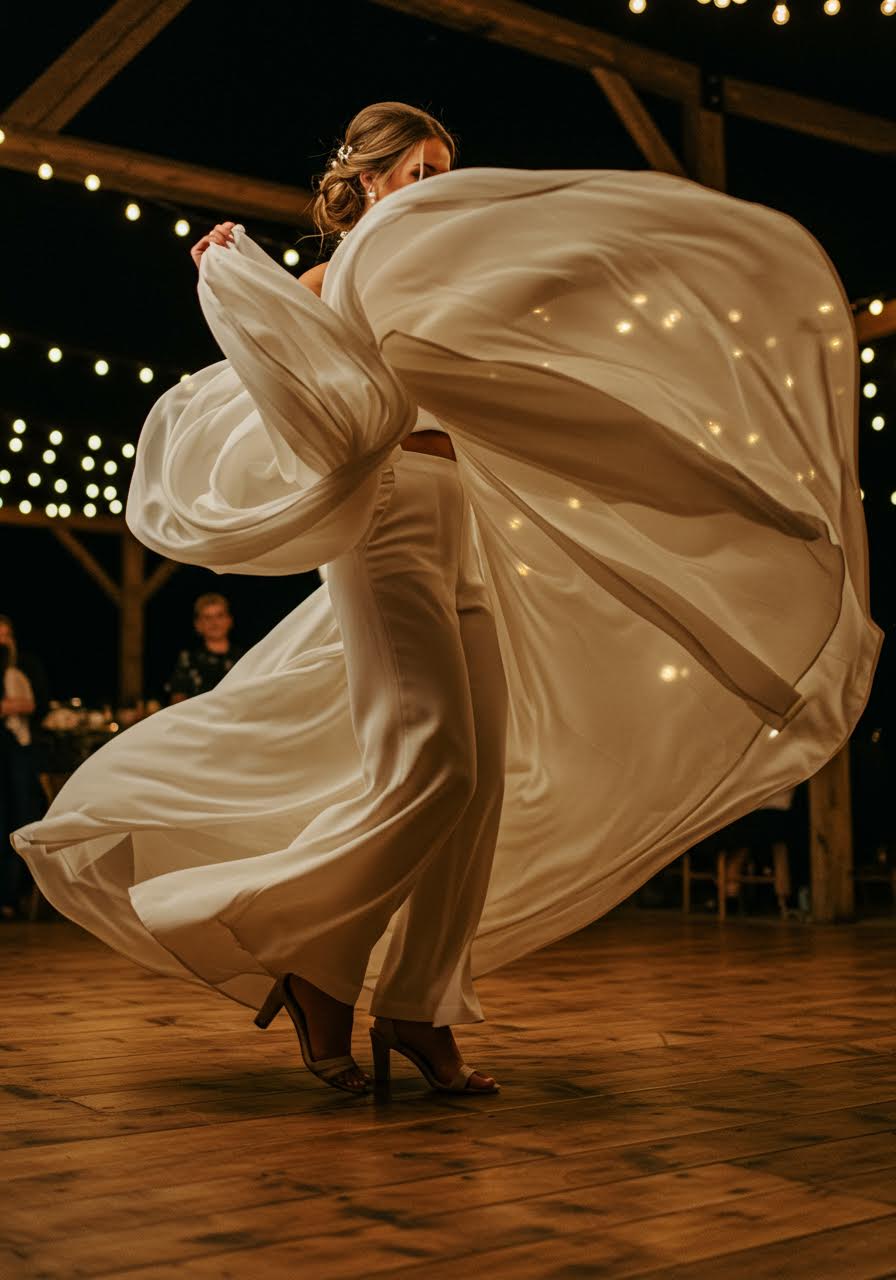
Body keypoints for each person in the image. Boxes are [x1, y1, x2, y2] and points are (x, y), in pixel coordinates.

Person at [14, 102, 881, 1103]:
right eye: (418, 169)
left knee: (476, 786)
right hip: (381, 523)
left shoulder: (449, 288)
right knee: (433, 759)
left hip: (457, 515)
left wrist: (727, 488)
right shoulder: (322, 285)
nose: (435, 186)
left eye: (443, 169)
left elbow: (555, 404)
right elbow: (298, 415)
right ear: (366, 180)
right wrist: (231, 276)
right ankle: (304, 949)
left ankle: (418, 1002)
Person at [0, 640, 42, 919]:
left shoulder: (14, 675)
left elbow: (28, 704)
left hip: (11, 752)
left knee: (15, 819)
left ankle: (11, 896)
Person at [168, 593, 245, 703]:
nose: (214, 623)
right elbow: (177, 700)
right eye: (207, 618)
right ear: (198, 624)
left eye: (220, 616)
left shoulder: (243, 657)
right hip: (197, 718)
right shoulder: (188, 659)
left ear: (229, 620)